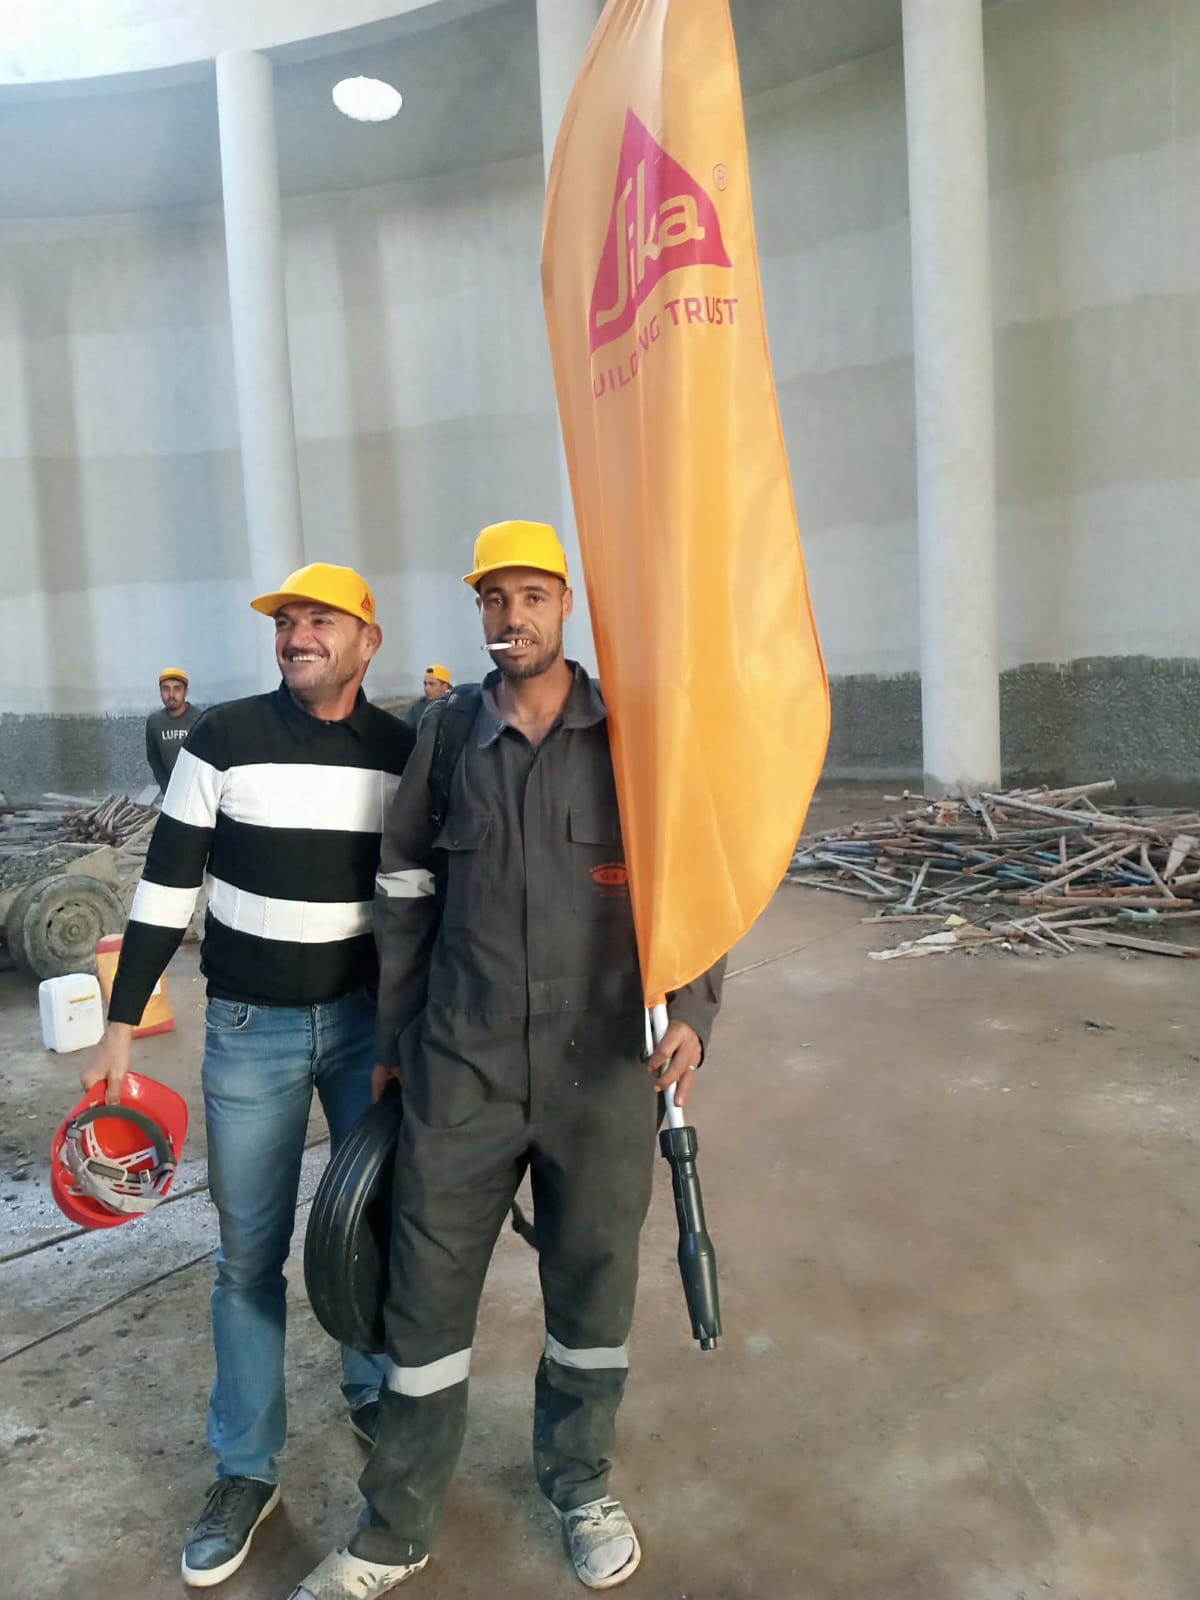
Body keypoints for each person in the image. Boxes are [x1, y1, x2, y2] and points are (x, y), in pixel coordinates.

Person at [291, 522, 724, 1600]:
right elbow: (405, 890)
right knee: (424, 1300)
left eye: (531, 595)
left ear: (565, 604)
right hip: (462, 1061)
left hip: (603, 1062)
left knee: (593, 1287)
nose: (511, 616)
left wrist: (696, 1007)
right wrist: (398, 1039)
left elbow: (697, 875)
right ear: (477, 608)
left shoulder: (630, 734)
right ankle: (395, 1528)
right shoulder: (444, 736)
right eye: (494, 597)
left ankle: (581, 1486)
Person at [82, 563, 415, 1590]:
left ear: (368, 641)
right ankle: (245, 1468)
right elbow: (167, 884)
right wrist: (121, 1026)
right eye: (286, 622)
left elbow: (422, 898)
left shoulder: (402, 751)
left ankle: (372, 1388)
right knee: (247, 1256)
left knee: (370, 1229)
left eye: (321, 621)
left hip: (365, 1031)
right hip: (247, 1030)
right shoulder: (222, 738)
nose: (298, 635)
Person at [146, 667, 201, 793]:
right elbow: (153, 758)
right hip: (171, 793)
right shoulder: (154, 722)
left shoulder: (200, 719)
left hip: (198, 792)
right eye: (166, 689)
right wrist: (166, 787)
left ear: (186, 692)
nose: (171, 695)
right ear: (160, 692)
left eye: (177, 689)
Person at [401, 664, 453, 734]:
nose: (426, 688)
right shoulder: (417, 708)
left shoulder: (455, 707)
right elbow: (405, 732)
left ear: (444, 686)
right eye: (425, 684)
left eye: (431, 684)